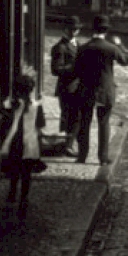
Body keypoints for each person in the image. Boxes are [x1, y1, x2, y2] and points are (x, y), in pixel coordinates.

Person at [72, 15, 128, 165]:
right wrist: (121, 45)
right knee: (104, 123)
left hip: (86, 90)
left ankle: (82, 156)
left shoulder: (83, 48)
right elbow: (125, 61)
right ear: (106, 31)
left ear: (93, 29)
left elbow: (76, 70)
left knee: (84, 123)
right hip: (105, 91)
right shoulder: (111, 48)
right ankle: (103, 158)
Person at [0, 64, 48, 219]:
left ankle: (12, 192)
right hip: (30, 143)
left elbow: (5, 123)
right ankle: (24, 199)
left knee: (14, 170)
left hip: (14, 142)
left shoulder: (10, 105)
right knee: (26, 173)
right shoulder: (36, 106)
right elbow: (40, 125)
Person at [50, 15, 81, 157]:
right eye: (71, 29)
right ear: (65, 30)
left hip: (79, 87)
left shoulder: (78, 45)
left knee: (76, 118)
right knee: (68, 117)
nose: (74, 32)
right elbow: (56, 70)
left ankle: (68, 143)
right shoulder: (60, 47)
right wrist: (75, 67)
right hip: (67, 88)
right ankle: (66, 146)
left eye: (76, 29)